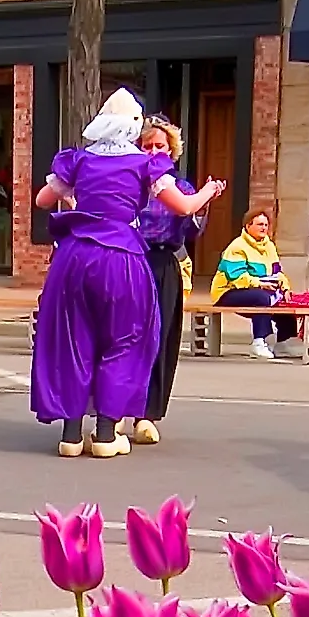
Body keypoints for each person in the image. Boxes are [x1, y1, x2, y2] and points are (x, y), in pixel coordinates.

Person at [32, 89, 226, 457]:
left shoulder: (78, 160)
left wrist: (78, 198)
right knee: (124, 340)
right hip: (121, 256)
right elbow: (184, 207)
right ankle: (106, 434)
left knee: (75, 340)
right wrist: (209, 192)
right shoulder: (144, 165)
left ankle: (71, 435)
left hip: (74, 255)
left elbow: (43, 200)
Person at [135, 114, 206, 444]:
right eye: (146, 145)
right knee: (126, 337)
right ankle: (115, 408)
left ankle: (148, 414)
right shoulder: (129, 183)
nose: (152, 151)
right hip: (131, 260)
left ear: (171, 150)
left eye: (159, 146)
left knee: (160, 338)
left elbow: (190, 229)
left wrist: (199, 211)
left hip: (163, 261)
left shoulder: (181, 186)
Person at [211, 210, 292, 357]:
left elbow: (277, 272)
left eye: (266, 225)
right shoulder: (237, 246)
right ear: (248, 226)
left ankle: (283, 341)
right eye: (260, 224)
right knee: (262, 298)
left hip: (258, 288)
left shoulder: (269, 246)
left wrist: (285, 288)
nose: (264, 228)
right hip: (228, 291)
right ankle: (259, 342)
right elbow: (236, 276)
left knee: (285, 299)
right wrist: (260, 284)